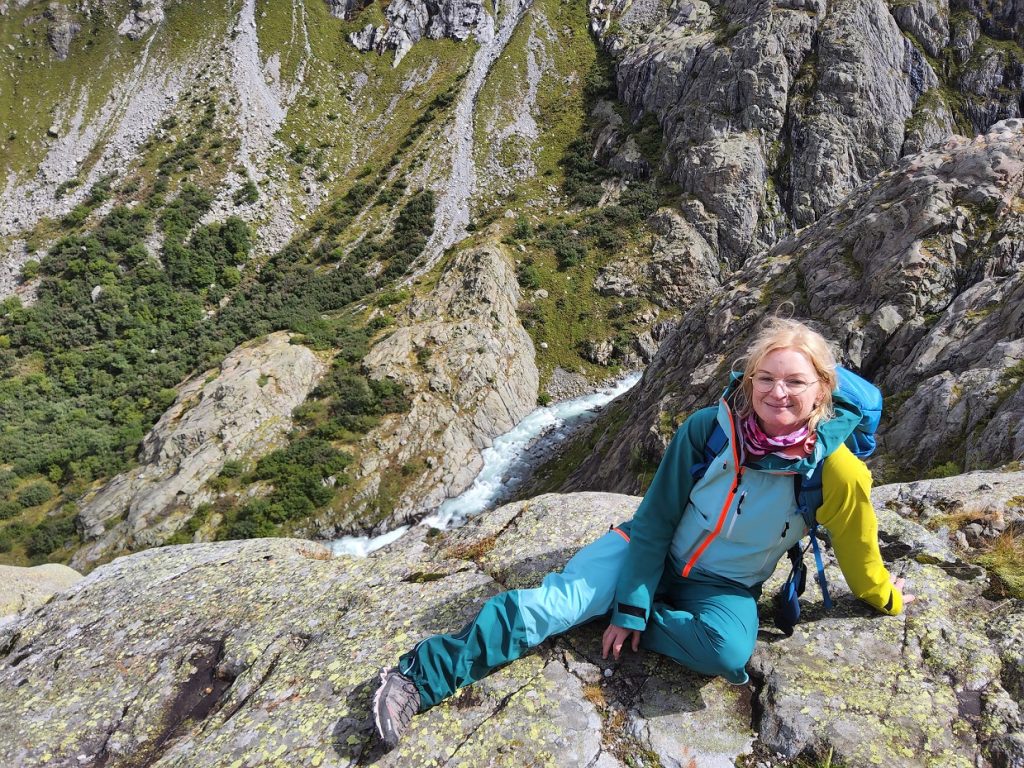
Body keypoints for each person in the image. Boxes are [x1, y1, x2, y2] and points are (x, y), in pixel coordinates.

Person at [372, 318, 913, 747]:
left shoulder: (837, 470)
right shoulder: (709, 430)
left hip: (724, 586)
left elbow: (857, 544)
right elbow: (656, 517)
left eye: (795, 381)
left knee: (727, 655)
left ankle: (608, 610)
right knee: (552, 608)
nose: (778, 392)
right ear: (749, 383)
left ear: (821, 391)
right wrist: (633, 599)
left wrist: (883, 596)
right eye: (766, 378)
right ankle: (420, 677)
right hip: (649, 551)